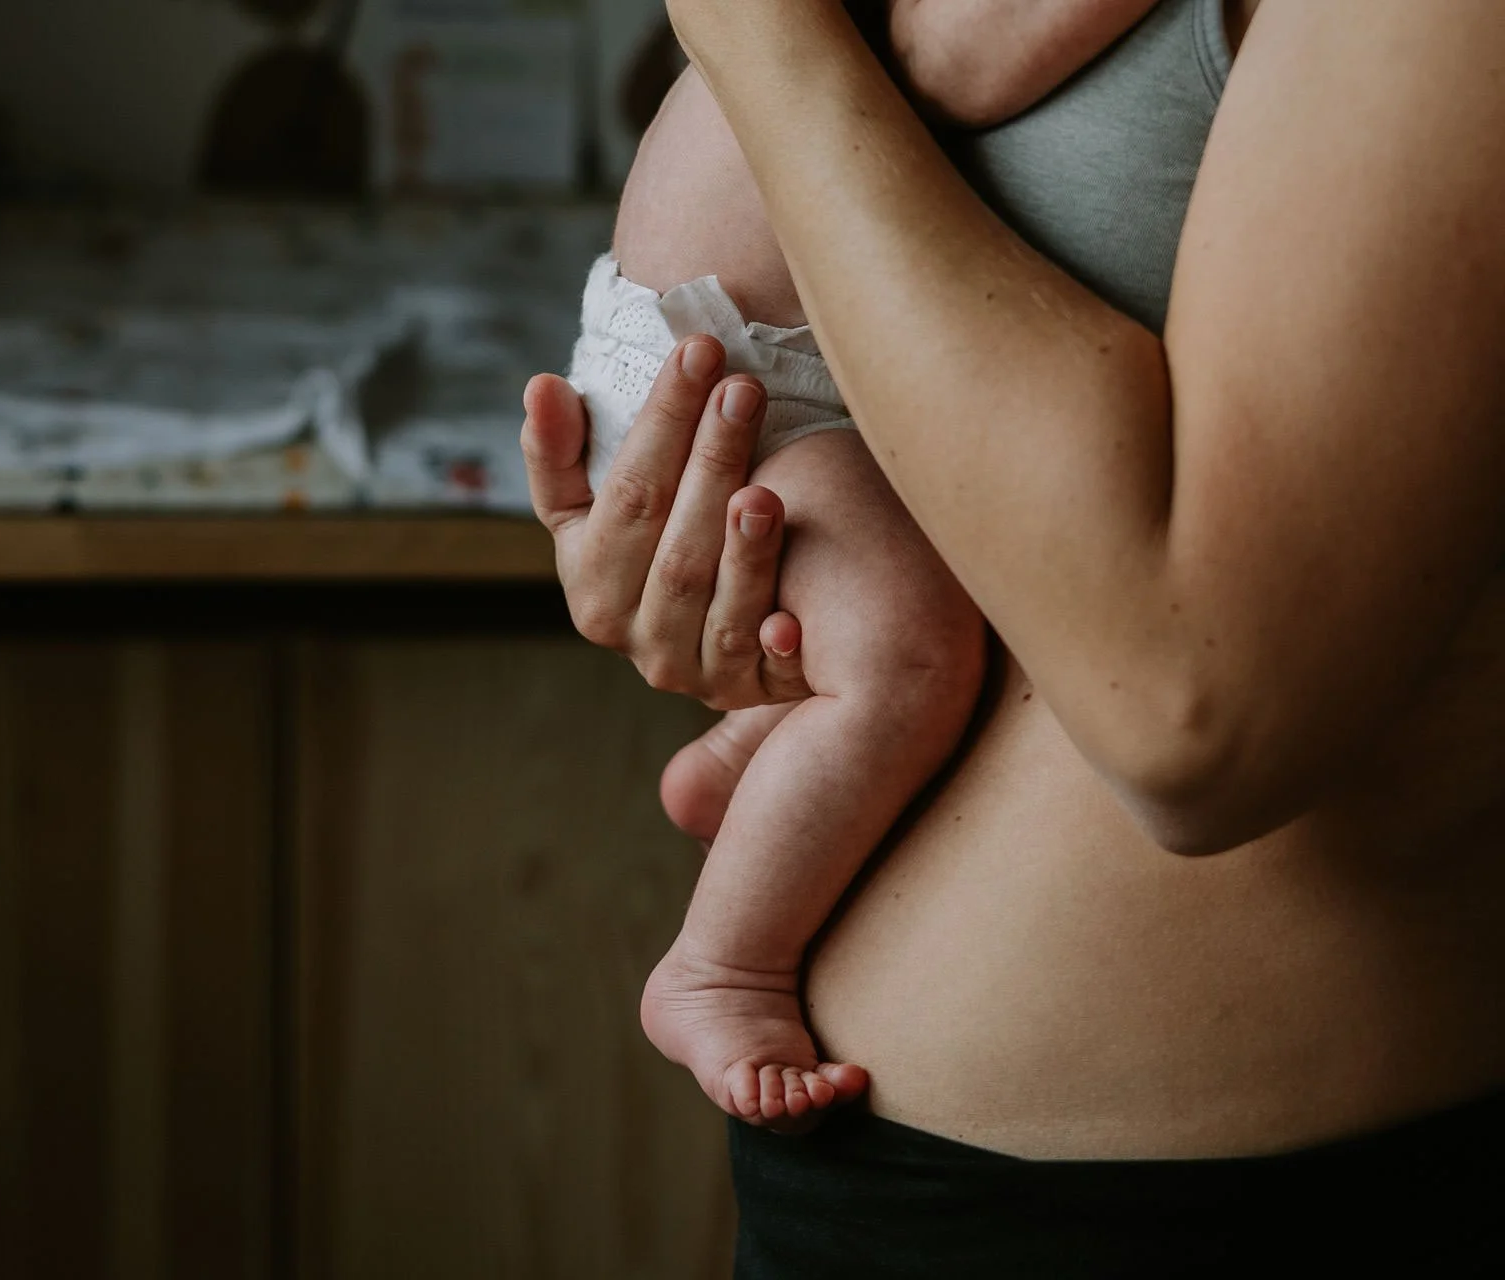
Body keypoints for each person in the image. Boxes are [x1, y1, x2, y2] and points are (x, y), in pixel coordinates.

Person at [523, 0, 1505, 1272]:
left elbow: (1187, 707)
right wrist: (711, 583)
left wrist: (758, 31)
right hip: (873, 1180)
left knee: (893, 660)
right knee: (872, 647)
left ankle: (724, 935)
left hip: (1227, 1208)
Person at [562, 0, 1160, 1128]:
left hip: (751, 343)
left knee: (942, 566)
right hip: (748, 374)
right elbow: (962, 62)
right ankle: (719, 963)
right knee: (909, 658)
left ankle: (761, 747)